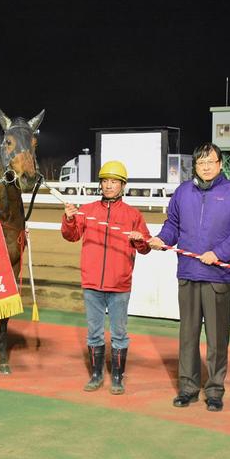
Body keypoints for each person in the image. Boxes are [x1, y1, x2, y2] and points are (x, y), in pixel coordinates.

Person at [148, 143, 230, 412]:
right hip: (188, 273)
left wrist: (218, 253)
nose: (205, 167)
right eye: (200, 163)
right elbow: (173, 225)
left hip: (219, 276)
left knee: (217, 338)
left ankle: (215, 390)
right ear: (194, 166)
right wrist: (161, 239)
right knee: (188, 335)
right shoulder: (183, 192)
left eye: (210, 162)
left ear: (220, 164)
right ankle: (188, 388)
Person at [61, 160, 151, 395]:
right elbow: (71, 236)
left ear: (123, 185)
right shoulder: (87, 211)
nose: (109, 185)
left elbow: (146, 248)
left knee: (119, 334)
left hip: (120, 285)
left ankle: (118, 378)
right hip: (92, 284)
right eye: (105, 181)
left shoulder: (133, 215)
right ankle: (96, 375)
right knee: (94, 333)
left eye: (114, 182)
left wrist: (140, 239)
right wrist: (69, 219)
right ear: (100, 184)